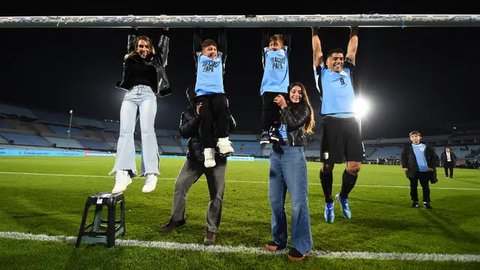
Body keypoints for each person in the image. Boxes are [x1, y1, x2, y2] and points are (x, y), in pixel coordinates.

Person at [158, 86, 236, 246]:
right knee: (180, 186)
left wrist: (225, 110)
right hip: (194, 158)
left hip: (217, 158)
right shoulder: (187, 112)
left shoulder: (218, 107)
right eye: (191, 96)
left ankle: (211, 230)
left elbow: (232, 126)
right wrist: (198, 117)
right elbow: (184, 132)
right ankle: (177, 220)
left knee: (217, 196)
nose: (194, 97)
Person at [311, 26, 364, 223]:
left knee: (355, 167)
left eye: (341, 59)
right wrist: (314, 30)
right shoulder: (322, 73)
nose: (339, 61)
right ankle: (328, 202)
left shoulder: (348, 71)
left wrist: (354, 29)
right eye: (335, 59)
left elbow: (352, 50)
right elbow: (317, 51)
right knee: (327, 166)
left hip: (351, 121)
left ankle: (343, 196)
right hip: (331, 123)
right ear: (327, 62)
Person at [111, 27, 171, 194]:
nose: (143, 49)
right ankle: (123, 173)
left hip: (148, 95)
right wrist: (132, 28)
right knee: (125, 132)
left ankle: (151, 173)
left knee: (147, 131)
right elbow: (131, 42)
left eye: (146, 46)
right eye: (140, 46)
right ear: (135, 48)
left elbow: (163, 48)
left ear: (150, 47)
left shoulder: (158, 59)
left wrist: (165, 31)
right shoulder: (131, 58)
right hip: (130, 95)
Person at [265, 82, 315, 262]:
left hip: (294, 154)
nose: (296, 95)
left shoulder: (304, 110)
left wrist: (284, 106)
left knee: (298, 202)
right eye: (293, 92)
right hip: (276, 154)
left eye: (299, 93)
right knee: (275, 199)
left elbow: (293, 125)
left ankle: (302, 245)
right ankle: (279, 239)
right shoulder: (279, 109)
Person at [193, 28, 234, 168]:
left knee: (222, 106)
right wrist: (196, 26)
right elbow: (196, 42)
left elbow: (223, 44)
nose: (213, 51)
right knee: (206, 116)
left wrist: (222, 28)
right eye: (209, 49)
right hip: (202, 94)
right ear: (202, 51)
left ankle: (223, 140)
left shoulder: (220, 59)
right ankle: (208, 150)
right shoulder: (199, 58)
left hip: (218, 93)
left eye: (214, 49)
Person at [259, 29, 291, 144]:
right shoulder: (267, 53)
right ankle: (265, 131)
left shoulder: (285, 53)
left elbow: (288, 36)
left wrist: (285, 23)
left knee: (278, 111)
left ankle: (275, 129)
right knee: (267, 110)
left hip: (282, 87)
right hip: (267, 87)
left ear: (283, 46)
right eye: (271, 44)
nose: (272, 46)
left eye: (276, 44)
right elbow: (264, 37)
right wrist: (267, 25)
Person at [401, 131, 439, 209]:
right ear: (410, 138)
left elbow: (435, 157)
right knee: (413, 187)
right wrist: (405, 166)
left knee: (425, 187)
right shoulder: (407, 148)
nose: (415, 138)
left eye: (416, 136)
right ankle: (414, 201)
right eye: (413, 136)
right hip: (413, 171)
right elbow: (403, 157)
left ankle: (426, 202)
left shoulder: (427, 146)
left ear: (420, 137)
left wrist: (431, 166)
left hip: (425, 171)